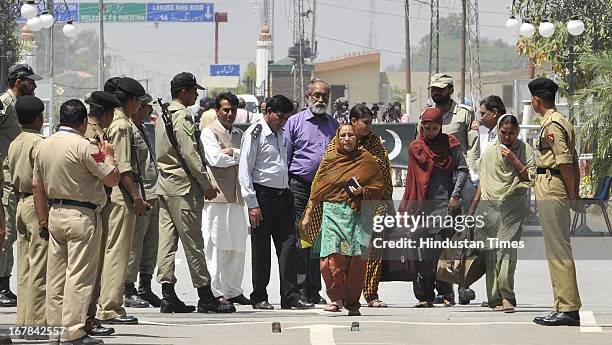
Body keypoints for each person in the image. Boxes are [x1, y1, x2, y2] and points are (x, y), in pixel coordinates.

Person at [33, 99, 120, 345]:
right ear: (83, 123)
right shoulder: (85, 146)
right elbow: (112, 178)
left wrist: (42, 220)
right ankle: (73, 331)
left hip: (55, 214)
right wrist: (110, 156)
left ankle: (54, 331)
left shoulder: (44, 146)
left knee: (56, 277)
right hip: (82, 216)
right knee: (79, 276)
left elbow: (36, 186)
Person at [155, 72, 234, 314]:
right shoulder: (183, 117)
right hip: (183, 188)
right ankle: (205, 295)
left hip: (165, 185)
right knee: (193, 244)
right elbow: (190, 154)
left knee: (166, 243)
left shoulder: (163, 115)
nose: (197, 95)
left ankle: (168, 294)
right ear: (183, 93)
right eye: (193, 91)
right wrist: (206, 183)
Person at [304, 104, 393, 308]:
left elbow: (382, 180)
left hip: (362, 211)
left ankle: (361, 297)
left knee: (359, 258)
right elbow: (320, 181)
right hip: (333, 212)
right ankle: (336, 297)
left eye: (350, 136)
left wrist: (365, 192)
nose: (346, 139)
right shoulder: (333, 152)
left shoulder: (371, 152)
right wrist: (310, 211)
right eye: (343, 135)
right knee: (330, 260)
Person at [238, 94, 314, 310]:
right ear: (268, 111)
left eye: (285, 119)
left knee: (289, 247)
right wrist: (252, 203)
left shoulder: (281, 133)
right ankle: (259, 295)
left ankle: (290, 296)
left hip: (283, 195)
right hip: (262, 196)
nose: (282, 122)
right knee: (261, 250)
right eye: (279, 117)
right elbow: (245, 170)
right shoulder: (255, 133)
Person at [399, 107, 469, 308]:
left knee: (443, 252)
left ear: (441, 127)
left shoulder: (450, 144)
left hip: (444, 206)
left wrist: (455, 196)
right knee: (422, 253)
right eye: (427, 128)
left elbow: (463, 170)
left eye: (434, 128)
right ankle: (424, 295)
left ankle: (446, 293)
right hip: (420, 209)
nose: (430, 132)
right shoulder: (415, 147)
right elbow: (412, 181)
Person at [468, 114, 534, 312]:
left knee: (505, 250)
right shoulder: (489, 151)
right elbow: (483, 181)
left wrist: (513, 159)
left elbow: (530, 176)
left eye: (511, 133)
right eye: (503, 132)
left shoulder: (524, 150)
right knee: (491, 253)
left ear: (517, 132)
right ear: (498, 130)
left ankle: (507, 295)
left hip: (513, 205)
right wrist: (472, 210)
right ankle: (494, 298)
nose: (507, 137)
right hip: (489, 208)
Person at [529, 78, 582, 326]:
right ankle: (564, 305)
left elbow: (564, 161)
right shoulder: (560, 120)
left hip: (553, 185)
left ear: (537, 99)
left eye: (532, 99)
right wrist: (574, 189)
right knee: (558, 248)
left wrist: (571, 193)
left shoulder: (552, 123)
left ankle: (568, 308)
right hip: (554, 184)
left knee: (558, 249)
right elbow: (574, 160)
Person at [97, 77, 148, 325]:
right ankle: (110, 307)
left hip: (114, 192)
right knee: (117, 251)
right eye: (138, 101)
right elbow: (124, 167)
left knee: (111, 249)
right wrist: (136, 197)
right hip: (121, 194)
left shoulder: (113, 121)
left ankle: (107, 303)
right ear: (132, 100)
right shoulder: (122, 125)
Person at [284, 78, 339, 305]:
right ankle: (299, 287)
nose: (320, 99)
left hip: (325, 189)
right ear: (308, 97)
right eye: (316, 95)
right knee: (301, 237)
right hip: (299, 185)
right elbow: (285, 155)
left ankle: (314, 289)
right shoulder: (295, 122)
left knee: (319, 240)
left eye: (324, 95)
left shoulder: (334, 125)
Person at [426, 73, 480, 305]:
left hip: (460, 177)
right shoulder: (427, 114)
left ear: (450, 90)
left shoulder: (464, 114)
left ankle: (463, 286)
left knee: (460, 238)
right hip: (437, 183)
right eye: (433, 89)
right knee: (438, 238)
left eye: (440, 89)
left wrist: (467, 177)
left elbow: (473, 146)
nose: (436, 93)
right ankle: (444, 288)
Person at [201, 92, 250, 305]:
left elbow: (248, 159)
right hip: (217, 197)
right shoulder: (208, 133)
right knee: (215, 245)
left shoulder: (240, 134)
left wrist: (233, 152)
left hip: (238, 197)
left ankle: (233, 290)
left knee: (237, 245)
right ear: (217, 111)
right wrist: (235, 155)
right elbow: (215, 159)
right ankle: (216, 291)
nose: (230, 114)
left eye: (233, 110)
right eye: (226, 110)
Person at [0, 64, 42, 307]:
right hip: (4, 175)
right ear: (18, 81)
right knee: (5, 231)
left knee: (13, 232)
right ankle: (2, 284)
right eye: (30, 82)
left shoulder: (21, 105)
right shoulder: (5, 103)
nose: (34, 86)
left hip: (14, 174)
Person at [82, 88, 121, 337]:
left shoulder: (91, 131)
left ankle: (87, 316)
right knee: (90, 268)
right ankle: (87, 318)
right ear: (106, 114)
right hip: (91, 206)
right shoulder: (93, 136)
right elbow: (106, 174)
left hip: (90, 205)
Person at [8, 95, 46, 338]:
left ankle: (23, 320)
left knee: (24, 266)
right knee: (40, 265)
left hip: (20, 203)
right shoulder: (39, 143)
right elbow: (41, 181)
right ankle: (36, 324)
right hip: (36, 203)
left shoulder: (15, 142)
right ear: (40, 117)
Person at [124, 94, 162, 308]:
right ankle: (128, 288)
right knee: (135, 244)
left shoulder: (145, 128)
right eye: (146, 107)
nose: (149, 111)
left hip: (152, 190)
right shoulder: (127, 129)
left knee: (151, 243)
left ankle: (145, 286)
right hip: (139, 191)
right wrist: (135, 195)